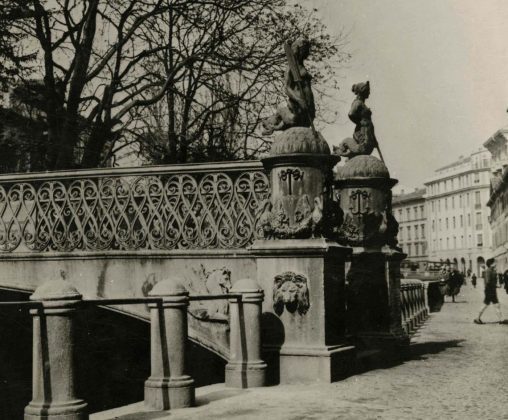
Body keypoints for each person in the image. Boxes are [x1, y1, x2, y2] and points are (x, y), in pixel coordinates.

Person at [474, 258, 504, 324]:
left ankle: (501, 320)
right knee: (485, 304)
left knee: (496, 305)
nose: (496, 263)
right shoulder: (488, 271)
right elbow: (488, 282)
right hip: (489, 290)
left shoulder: (492, 270)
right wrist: (496, 286)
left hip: (492, 290)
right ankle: (477, 318)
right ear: (491, 264)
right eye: (495, 262)